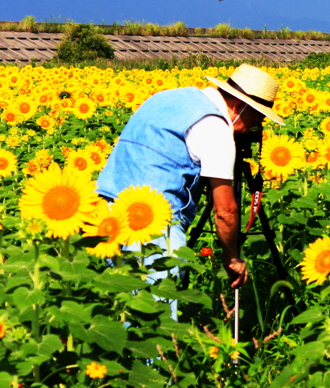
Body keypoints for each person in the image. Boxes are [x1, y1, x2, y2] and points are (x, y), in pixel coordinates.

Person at [97, 64, 284, 288]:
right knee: (155, 315)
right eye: (257, 118)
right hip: (152, 225)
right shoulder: (215, 127)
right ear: (239, 107)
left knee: (120, 304)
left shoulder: (166, 98)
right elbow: (225, 211)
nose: (257, 126)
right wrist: (232, 257)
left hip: (105, 214)